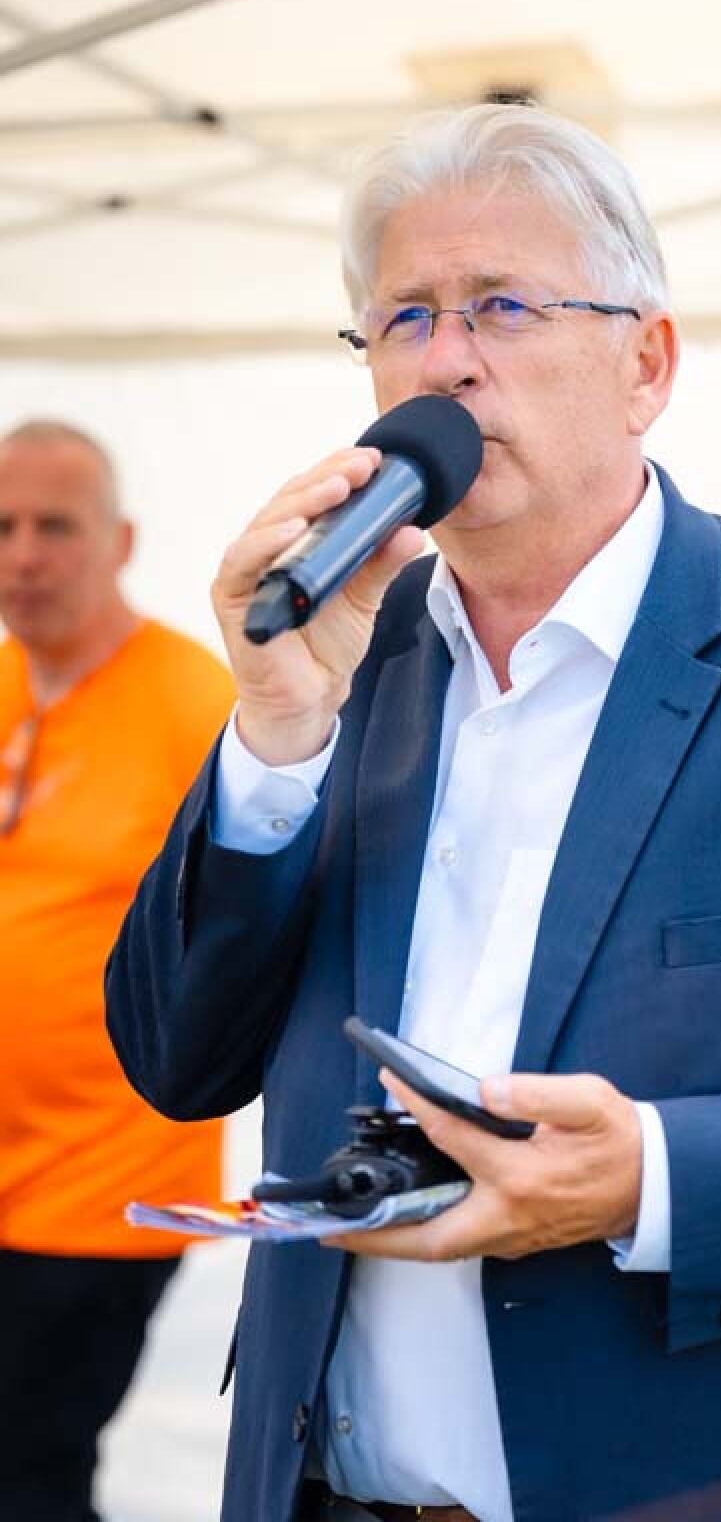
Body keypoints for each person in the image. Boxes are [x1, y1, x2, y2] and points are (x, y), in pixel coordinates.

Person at [106, 105, 721, 1522]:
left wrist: (659, 1178)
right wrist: (273, 740)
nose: (446, 359)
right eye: (405, 316)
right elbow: (175, 1061)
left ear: (646, 364)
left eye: (502, 307)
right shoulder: (337, 658)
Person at [0, 419, 235, 1522]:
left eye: (55, 527)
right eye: (4, 527)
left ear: (120, 541)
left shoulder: (192, 705)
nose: (25, 556)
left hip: (106, 1186)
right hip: (8, 1178)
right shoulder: (8, 683)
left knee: (31, 1469)